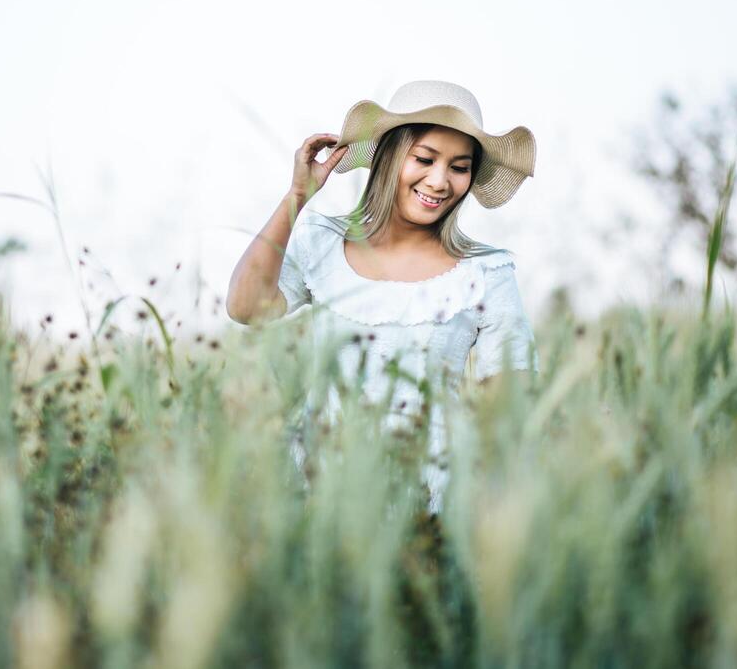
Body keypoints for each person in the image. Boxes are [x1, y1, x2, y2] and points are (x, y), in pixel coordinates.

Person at [226, 79, 538, 513]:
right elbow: (245, 308)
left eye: (459, 166)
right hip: (323, 489)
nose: (439, 180)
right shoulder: (324, 242)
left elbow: (506, 406)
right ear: (390, 157)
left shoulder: (486, 272)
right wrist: (297, 197)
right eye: (424, 159)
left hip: (432, 500)